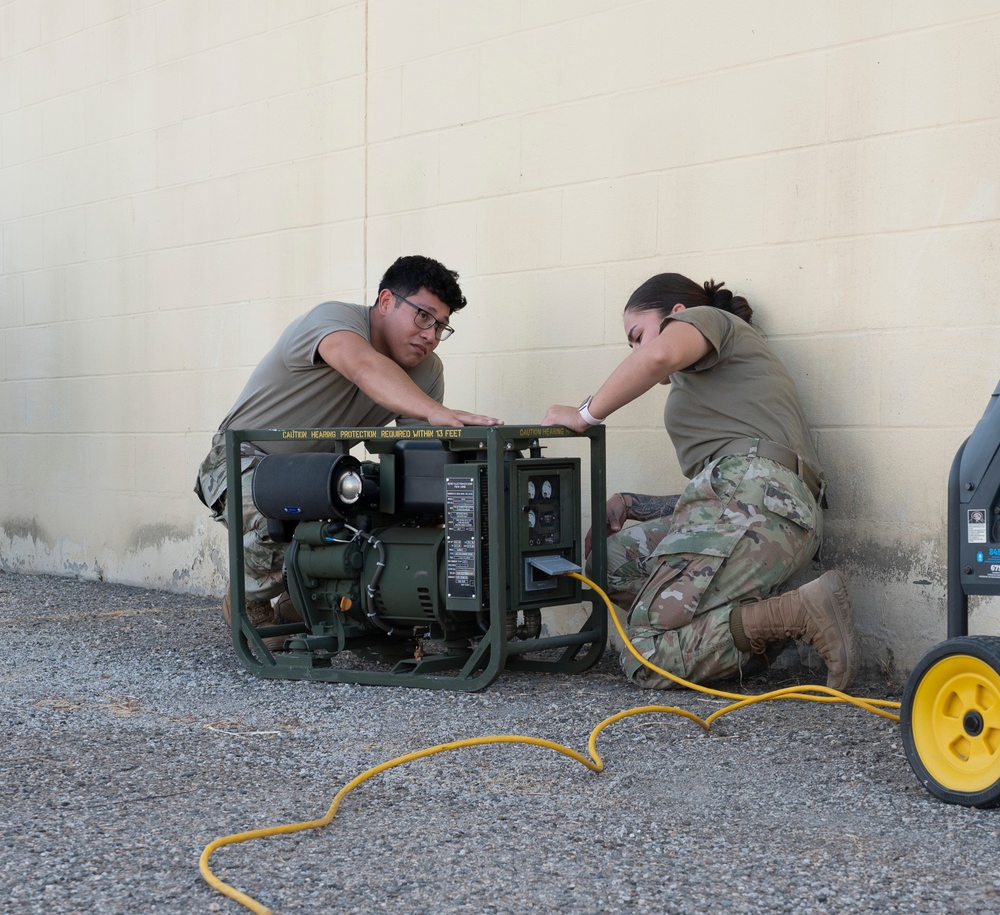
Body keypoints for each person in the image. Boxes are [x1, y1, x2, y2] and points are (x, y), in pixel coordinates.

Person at [542, 274, 859, 692]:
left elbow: (658, 359)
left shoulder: (708, 320)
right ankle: (753, 630)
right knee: (608, 561)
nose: (638, 351)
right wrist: (631, 501)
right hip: (760, 504)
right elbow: (723, 494)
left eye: (639, 336)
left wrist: (585, 415)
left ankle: (794, 614)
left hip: (762, 498)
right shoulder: (713, 376)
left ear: (677, 315)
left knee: (647, 656)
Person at [194, 255, 499, 621]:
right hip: (240, 463)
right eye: (423, 317)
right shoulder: (333, 321)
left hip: (320, 475)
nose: (430, 336)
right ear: (386, 302)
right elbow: (364, 366)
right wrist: (432, 411)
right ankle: (247, 596)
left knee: (390, 509)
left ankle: (307, 604)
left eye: (440, 327)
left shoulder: (425, 371)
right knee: (295, 516)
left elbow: (420, 459)